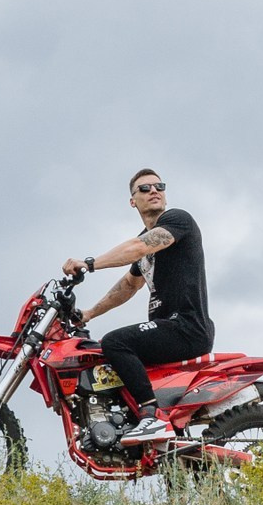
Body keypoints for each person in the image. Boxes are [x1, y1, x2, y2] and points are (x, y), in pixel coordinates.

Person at [63, 168, 212, 445]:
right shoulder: (146, 240)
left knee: (116, 342)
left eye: (159, 186)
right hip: (168, 329)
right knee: (103, 360)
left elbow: (138, 248)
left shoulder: (177, 221)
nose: (154, 191)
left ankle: (151, 417)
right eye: (144, 188)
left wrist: (90, 263)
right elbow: (128, 286)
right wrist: (88, 314)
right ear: (133, 201)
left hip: (185, 326)